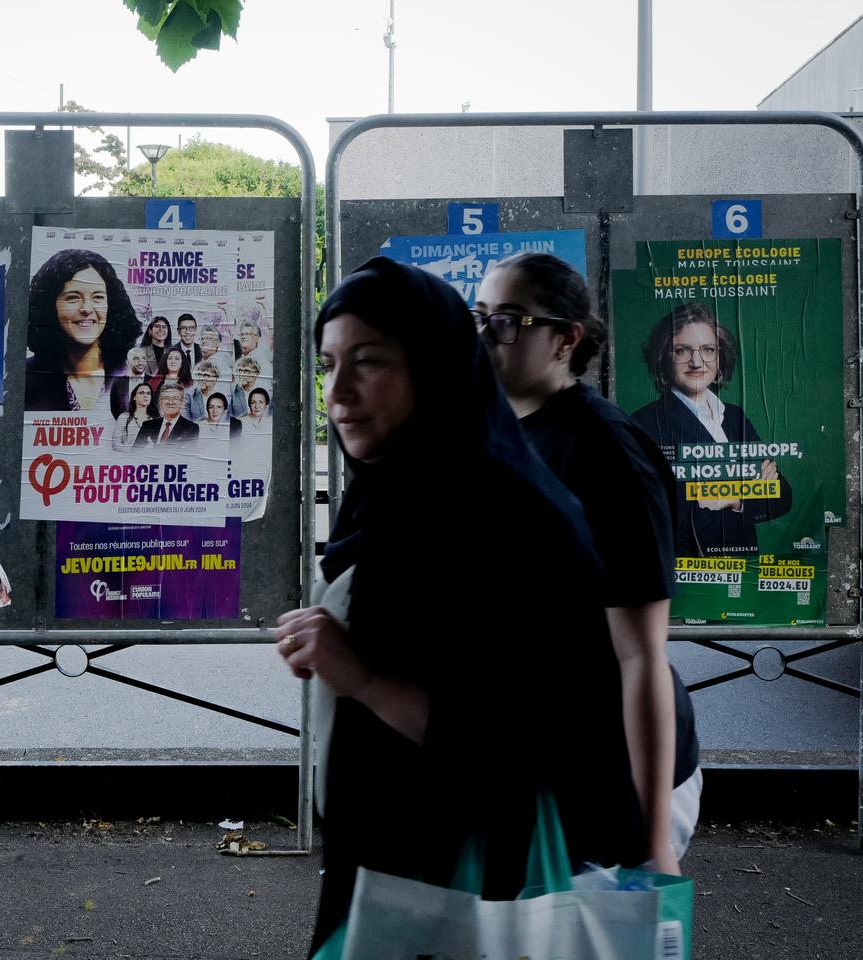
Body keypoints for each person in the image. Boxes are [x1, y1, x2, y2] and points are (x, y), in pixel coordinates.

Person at [276, 257, 646, 955]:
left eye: (371, 361)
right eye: (328, 365)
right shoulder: (396, 492)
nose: (340, 392)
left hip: (470, 887)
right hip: (391, 869)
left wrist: (360, 676)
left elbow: (523, 740)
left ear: (435, 364)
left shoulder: (505, 513)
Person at [477, 252, 702, 875]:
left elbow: (641, 656)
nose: (486, 334)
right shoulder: (502, 431)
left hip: (611, 781)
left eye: (510, 320)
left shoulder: (607, 451)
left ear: (565, 339)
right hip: (536, 767)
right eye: (481, 315)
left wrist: (653, 843)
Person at [630, 302, 792, 558]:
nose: (697, 361)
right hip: (685, 574)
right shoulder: (643, 425)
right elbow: (650, 512)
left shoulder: (735, 416)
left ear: (720, 357)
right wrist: (746, 487)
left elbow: (781, 496)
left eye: (707, 350)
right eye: (682, 350)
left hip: (742, 572)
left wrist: (731, 498)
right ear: (664, 358)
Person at [25, 249, 140, 412]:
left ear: (111, 305)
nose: (86, 308)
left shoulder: (133, 368)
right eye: (73, 298)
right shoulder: (26, 378)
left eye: (98, 297)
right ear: (50, 305)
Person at [133, 382, 200, 448]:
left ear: (182, 403)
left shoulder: (191, 428)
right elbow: (135, 453)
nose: (170, 402)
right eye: (166, 398)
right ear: (160, 402)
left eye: (175, 398)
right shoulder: (147, 426)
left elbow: (186, 456)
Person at [109, 346, 154, 420]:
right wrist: (124, 424)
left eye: (143, 358)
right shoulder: (118, 382)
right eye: (136, 359)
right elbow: (114, 409)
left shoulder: (153, 380)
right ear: (128, 362)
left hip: (148, 428)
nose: (140, 362)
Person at [113, 382, 156, 452]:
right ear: (134, 397)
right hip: (129, 461)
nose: (145, 395)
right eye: (142, 393)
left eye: (148, 393)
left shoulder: (155, 419)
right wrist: (134, 450)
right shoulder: (124, 417)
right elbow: (115, 444)